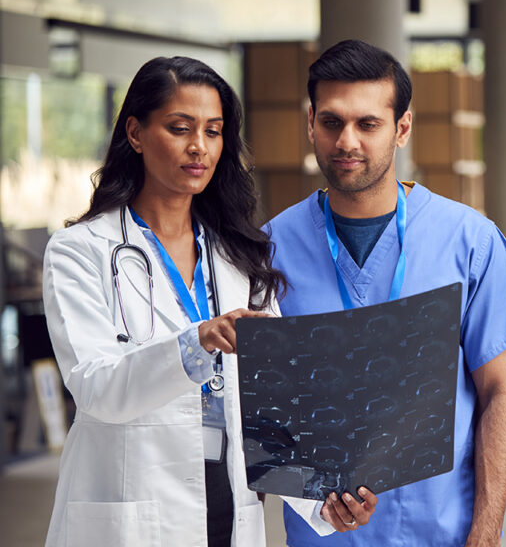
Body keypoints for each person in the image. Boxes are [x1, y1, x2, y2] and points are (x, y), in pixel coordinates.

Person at [41, 56, 358, 547]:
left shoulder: (242, 254)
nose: (199, 147)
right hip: (135, 509)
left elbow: (272, 403)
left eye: (213, 132)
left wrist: (324, 499)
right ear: (135, 132)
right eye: (179, 128)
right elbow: (95, 386)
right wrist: (195, 343)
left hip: (228, 507)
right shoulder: (81, 251)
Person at [265, 39, 506, 546]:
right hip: (325, 537)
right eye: (331, 122)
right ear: (310, 122)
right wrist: (316, 499)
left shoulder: (468, 240)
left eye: (368, 124)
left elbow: (500, 393)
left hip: (441, 531)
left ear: (402, 128)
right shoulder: (271, 249)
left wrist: (486, 532)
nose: (346, 141)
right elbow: (268, 411)